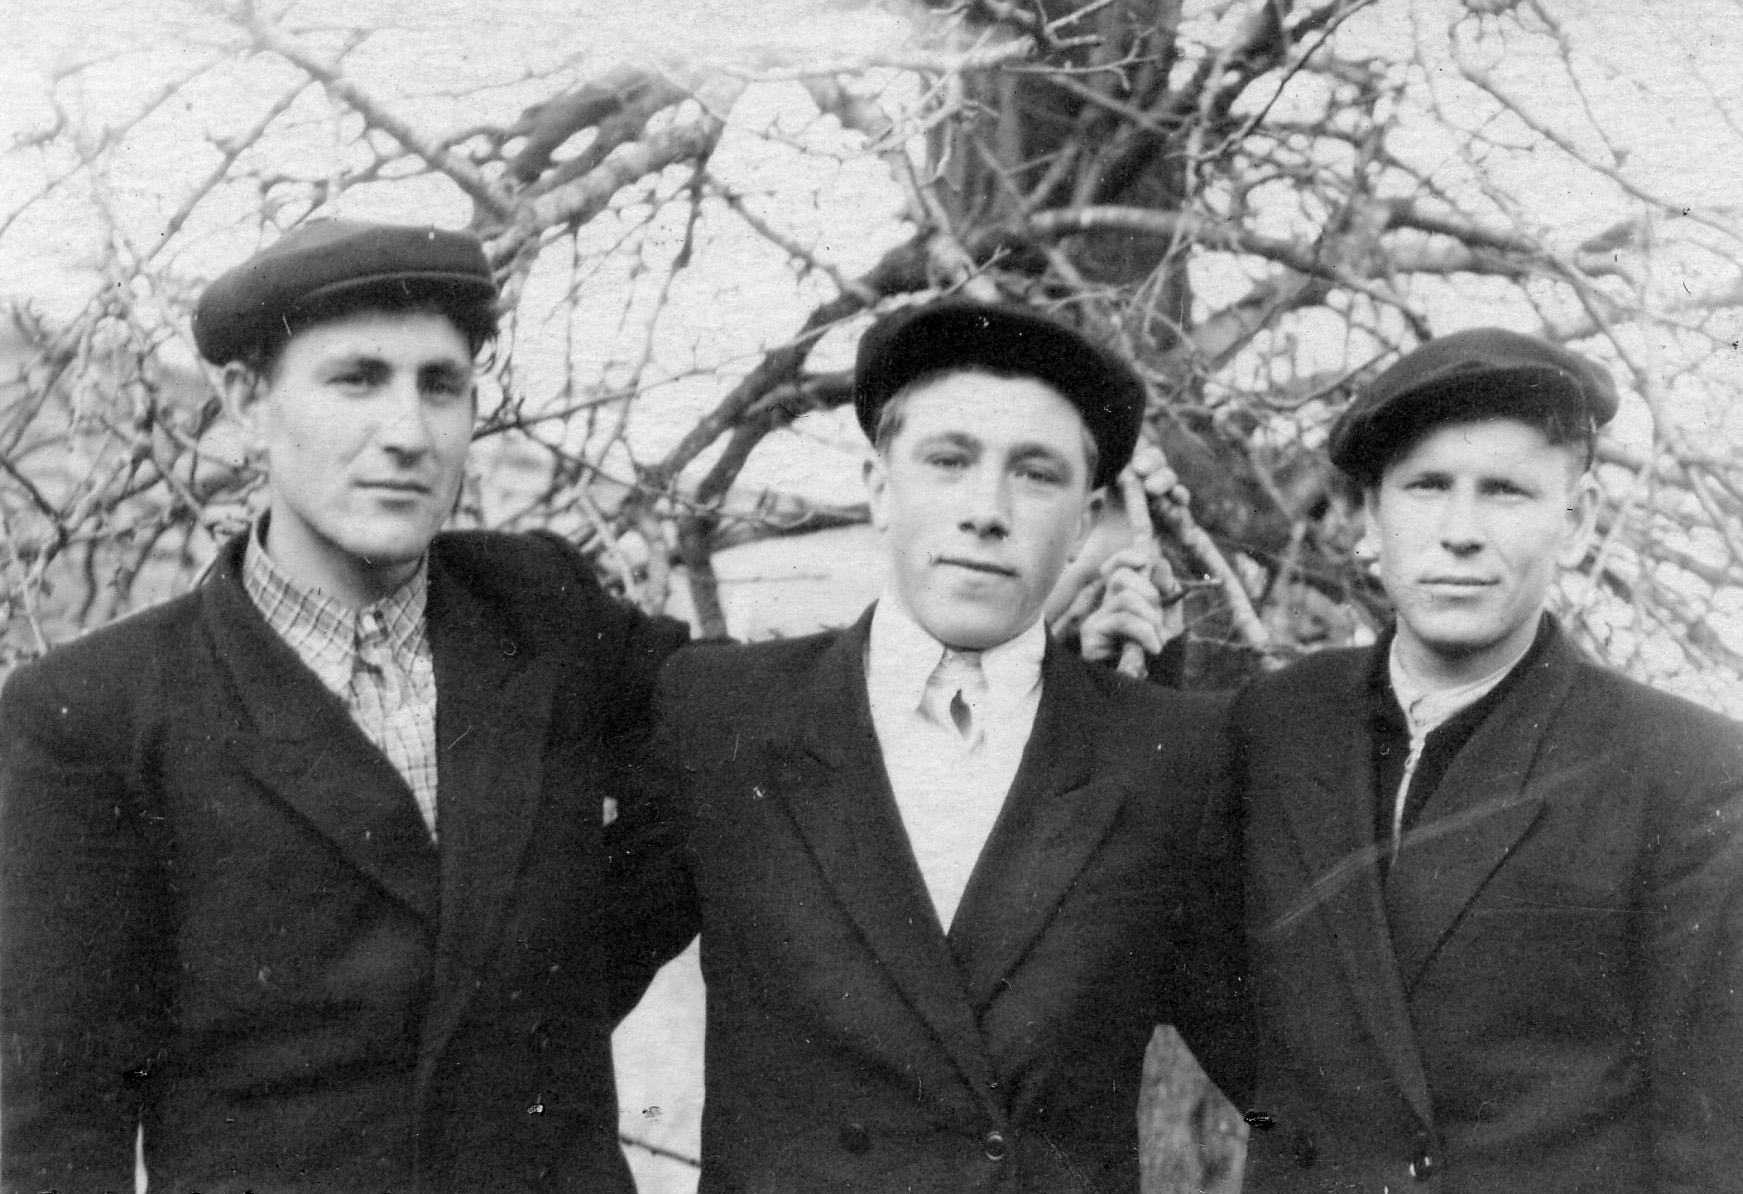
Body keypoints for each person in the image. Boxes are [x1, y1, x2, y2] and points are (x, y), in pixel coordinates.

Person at [0, 221, 695, 1193]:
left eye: (440, 385)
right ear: (247, 402)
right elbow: (57, 1128)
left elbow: (744, 743)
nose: (408, 433)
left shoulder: (541, 607)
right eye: (357, 379)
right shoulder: (93, 712)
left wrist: (550, 992)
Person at [652, 300, 1250, 1192]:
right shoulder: (725, 714)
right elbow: (542, 999)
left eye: (1035, 475)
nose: (986, 511)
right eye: (948, 460)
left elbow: (1297, 1075)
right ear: (878, 486)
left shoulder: (1173, 755)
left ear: (1085, 520)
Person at [1198, 329, 1742, 1191]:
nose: (1458, 534)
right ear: (1370, 515)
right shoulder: (1274, 721)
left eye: (1504, 492)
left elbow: (1711, 1138)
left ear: (1577, 520)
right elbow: (1214, 1001)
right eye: (1425, 487)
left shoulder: (1689, 770)